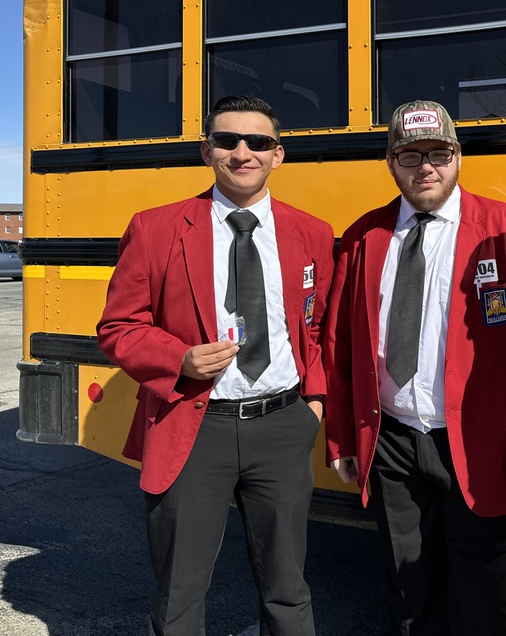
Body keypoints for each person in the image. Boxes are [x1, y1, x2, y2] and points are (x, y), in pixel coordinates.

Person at [97, 95, 333, 636]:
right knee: (179, 594)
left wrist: (314, 404)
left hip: (281, 425)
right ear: (208, 151)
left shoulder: (312, 233)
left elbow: (315, 326)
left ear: (279, 155)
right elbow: (117, 327)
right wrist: (177, 357)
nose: (242, 152)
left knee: (288, 589)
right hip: (191, 424)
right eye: (227, 140)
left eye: (258, 142)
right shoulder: (156, 229)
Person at [324, 100, 506, 636]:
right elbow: (341, 345)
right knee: (409, 594)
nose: (425, 166)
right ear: (390, 162)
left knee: (488, 599)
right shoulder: (364, 237)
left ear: (458, 157)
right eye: (410, 154)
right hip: (393, 443)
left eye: (439, 153)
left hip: (485, 443)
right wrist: (341, 435)